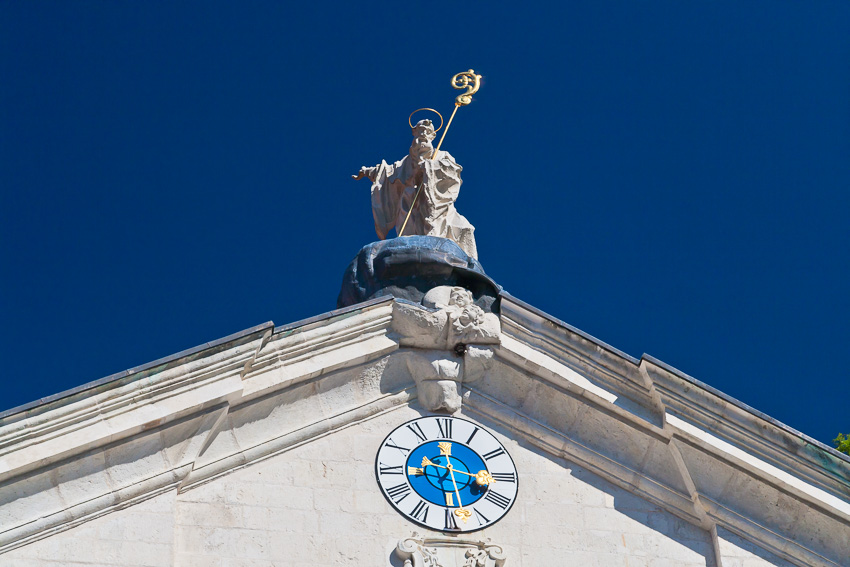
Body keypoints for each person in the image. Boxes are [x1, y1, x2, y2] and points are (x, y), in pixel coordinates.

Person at [353, 119, 478, 259]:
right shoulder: (406, 161)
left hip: (435, 204)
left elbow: (452, 173)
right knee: (410, 236)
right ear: (415, 133)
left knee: (462, 228)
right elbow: (388, 173)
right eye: (420, 130)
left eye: (427, 131)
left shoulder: (442, 155)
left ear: (432, 136)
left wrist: (430, 168)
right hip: (410, 204)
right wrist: (369, 171)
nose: (424, 133)